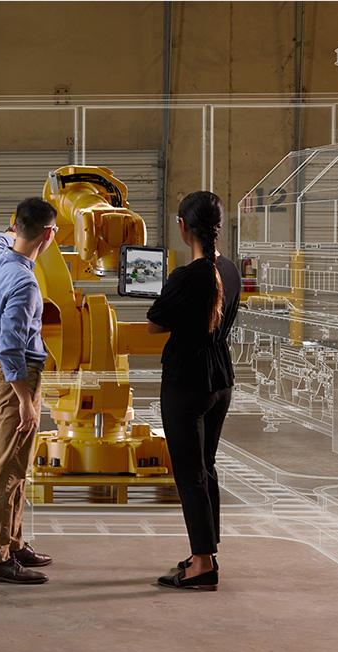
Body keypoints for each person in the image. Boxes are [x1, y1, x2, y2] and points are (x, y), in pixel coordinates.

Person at [146, 191, 241, 591]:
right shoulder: (231, 271)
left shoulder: (187, 277)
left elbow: (154, 323)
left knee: (189, 474)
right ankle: (207, 551)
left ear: (183, 228)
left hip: (187, 382)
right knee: (206, 467)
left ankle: (202, 565)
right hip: (220, 380)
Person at [0, 197, 58, 585]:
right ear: (49, 235)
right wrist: (26, 401)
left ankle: (13, 542)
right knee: (7, 471)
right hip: (15, 378)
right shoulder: (25, 284)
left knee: (18, 467)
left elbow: (0, 235)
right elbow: (11, 345)